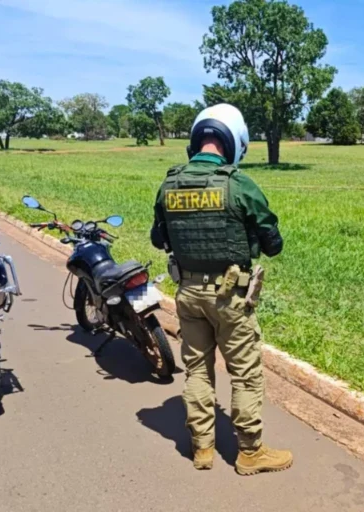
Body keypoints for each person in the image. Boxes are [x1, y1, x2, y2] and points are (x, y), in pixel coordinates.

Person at [150, 103, 292, 474]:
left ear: (198, 138)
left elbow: (157, 238)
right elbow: (273, 243)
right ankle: (250, 452)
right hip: (230, 296)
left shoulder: (169, 183)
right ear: (233, 142)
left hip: (187, 293)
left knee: (197, 369)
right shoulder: (238, 183)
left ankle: (202, 448)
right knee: (244, 372)